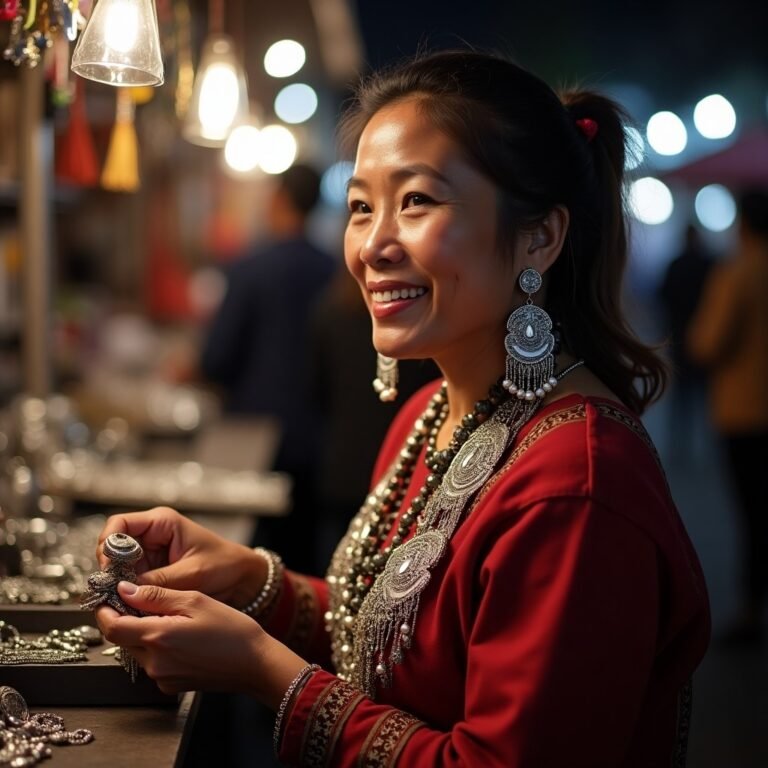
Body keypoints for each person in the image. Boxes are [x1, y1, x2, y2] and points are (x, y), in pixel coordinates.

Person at [94, 50, 710, 766]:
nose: (373, 245)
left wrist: (265, 671)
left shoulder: (576, 485)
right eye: (360, 207)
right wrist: (250, 580)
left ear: (539, 235)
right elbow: (391, 639)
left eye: (416, 200)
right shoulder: (431, 412)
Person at [199, 163, 337, 574]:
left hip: (252, 438)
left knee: (248, 559)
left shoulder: (249, 268)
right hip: (317, 437)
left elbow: (216, 358)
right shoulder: (335, 271)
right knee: (305, 560)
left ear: (278, 200)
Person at [688, 188, 768, 648]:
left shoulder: (737, 273)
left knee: (753, 513)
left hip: (744, 410)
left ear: (744, 225)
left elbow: (708, 343)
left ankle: (752, 609)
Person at [658, 223, 715, 464]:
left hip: (680, 338)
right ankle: (707, 447)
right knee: (704, 396)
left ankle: (679, 447)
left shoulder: (676, 265)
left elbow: (662, 297)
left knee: (680, 398)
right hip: (703, 337)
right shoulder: (709, 265)